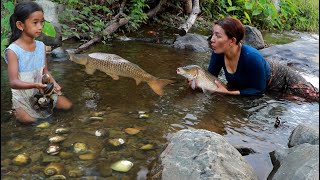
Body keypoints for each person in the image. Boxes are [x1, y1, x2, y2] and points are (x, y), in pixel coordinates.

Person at [206, 16, 318, 102]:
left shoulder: (251, 56)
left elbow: (258, 91)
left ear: (232, 41)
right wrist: (197, 80)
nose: (212, 39)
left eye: (218, 36)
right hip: (261, 81)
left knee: (314, 98)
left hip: (283, 80)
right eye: (212, 34)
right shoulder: (218, 53)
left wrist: (228, 92)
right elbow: (210, 77)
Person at [3, 1, 72, 124]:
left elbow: (45, 72)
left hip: (42, 93)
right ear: (20, 25)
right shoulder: (13, 51)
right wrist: (35, 85)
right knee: (33, 122)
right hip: (23, 97)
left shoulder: (41, 46)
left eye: (41, 22)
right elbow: (14, 83)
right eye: (35, 23)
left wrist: (54, 84)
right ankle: (16, 111)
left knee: (68, 106)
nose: (40, 27)